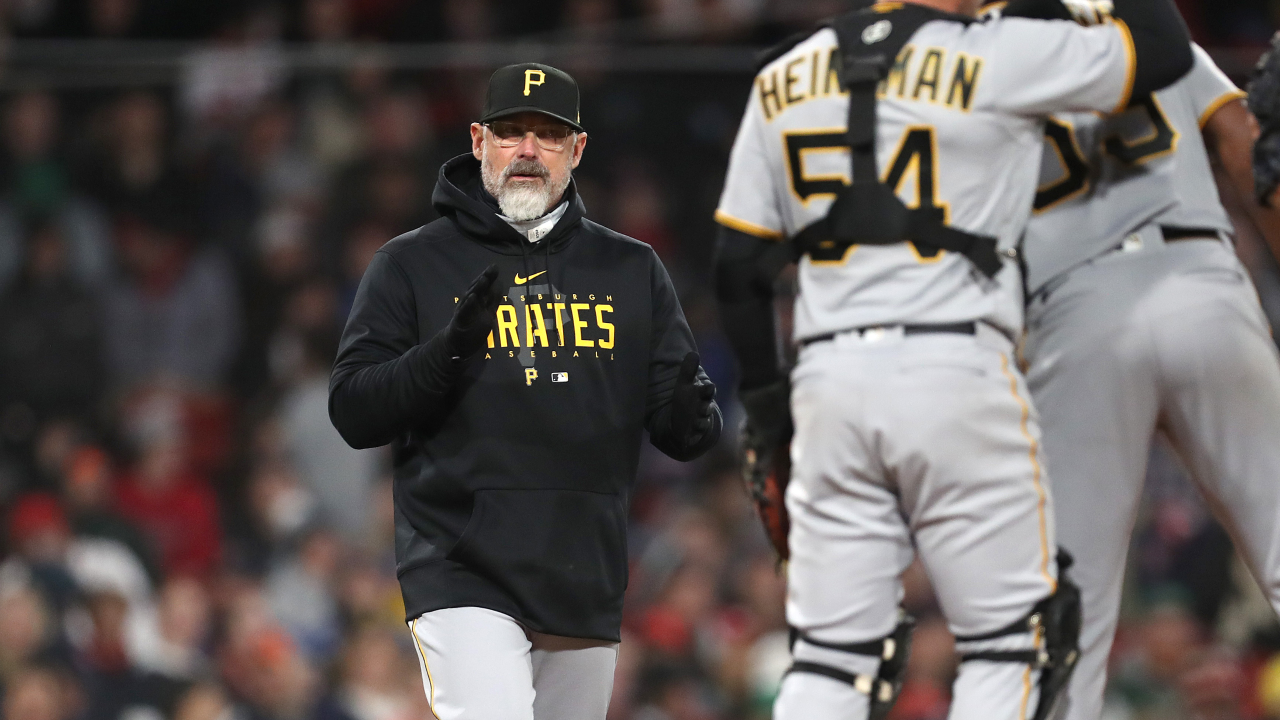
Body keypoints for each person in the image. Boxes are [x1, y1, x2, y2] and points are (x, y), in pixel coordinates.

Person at [712, 0, 1192, 717]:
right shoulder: (1002, 52)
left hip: (828, 382)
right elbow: (1162, 48)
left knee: (829, 657)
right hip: (954, 364)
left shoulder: (786, 72)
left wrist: (771, 419)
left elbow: (738, 265)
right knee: (1011, 643)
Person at [328, 62, 721, 720]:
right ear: (479, 142)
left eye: (548, 134)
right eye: (512, 133)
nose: (529, 151)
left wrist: (690, 413)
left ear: (578, 149)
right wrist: (446, 353)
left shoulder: (630, 269)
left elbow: (683, 431)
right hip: (460, 563)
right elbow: (355, 410)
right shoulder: (412, 263)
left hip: (582, 569)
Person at [1019, 29, 1280, 720]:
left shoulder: (969, 62)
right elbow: (1242, 143)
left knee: (1069, 622)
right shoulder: (1143, 28)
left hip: (1072, 313)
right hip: (1200, 279)